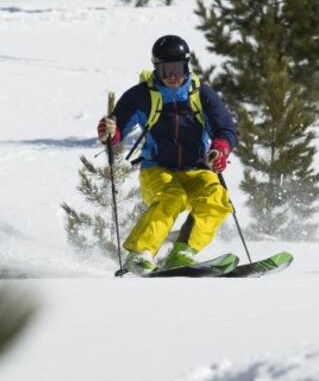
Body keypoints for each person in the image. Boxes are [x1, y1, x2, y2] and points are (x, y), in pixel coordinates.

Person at [95, 34, 240, 275]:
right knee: (172, 198)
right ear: (156, 69)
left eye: (177, 68)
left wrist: (220, 149)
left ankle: (183, 252)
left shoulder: (201, 94)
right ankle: (139, 254)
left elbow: (226, 128)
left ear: (187, 66)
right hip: (157, 169)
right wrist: (109, 132)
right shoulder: (141, 96)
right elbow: (116, 128)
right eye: (165, 70)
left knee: (217, 198)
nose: (172, 76)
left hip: (197, 168)